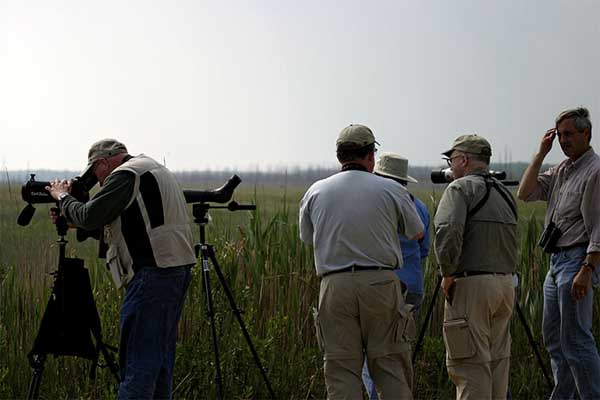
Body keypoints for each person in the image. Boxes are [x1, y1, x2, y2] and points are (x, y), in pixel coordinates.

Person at [46, 139, 197, 400]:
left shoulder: (125, 174)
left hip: (152, 275)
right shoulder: (151, 168)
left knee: (138, 367)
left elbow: (90, 216)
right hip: (174, 271)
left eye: (95, 172)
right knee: (158, 364)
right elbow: (132, 227)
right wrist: (73, 222)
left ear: (104, 162)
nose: (98, 181)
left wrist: (62, 197)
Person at [299, 124, 424, 399]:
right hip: (380, 284)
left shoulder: (316, 191)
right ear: (371, 156)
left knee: (341, 370)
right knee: (390, 366)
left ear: (339, 156)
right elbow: (417, 232)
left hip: (334, 285)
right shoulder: (391, 189)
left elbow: (307, 237)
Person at [516, 107, 600, 400]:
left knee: (576, 340)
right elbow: (525, 193)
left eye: (569, 134)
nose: (564, 140)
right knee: (554, 338)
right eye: (560, 135)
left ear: (586, 133)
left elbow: (599, 226)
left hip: (577, 259)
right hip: (556, 262)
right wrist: (541, 153)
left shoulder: (595, 171)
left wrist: (587, 269)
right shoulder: (562, 170)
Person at [434, 134, 518, 399]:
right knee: (497, 365)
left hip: (471, 286)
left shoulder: (459, 189)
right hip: (505, 285)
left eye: (451, 159)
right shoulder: (505, 193)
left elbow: (448, 232)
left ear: (464, 159)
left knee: (470, 366)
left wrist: (447, 272)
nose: (450, 166)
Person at [361, 152, 431, 400]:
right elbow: (424, 250)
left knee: (373, 356)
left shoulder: (376, 206)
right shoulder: (419, 206)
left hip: (384, 288)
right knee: (399, 353)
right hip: (413, 287)